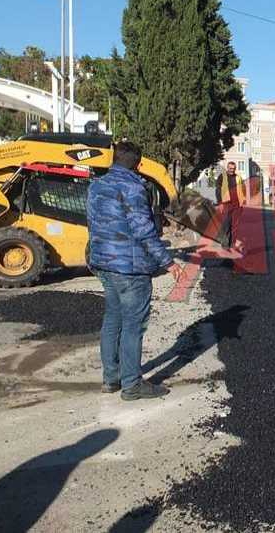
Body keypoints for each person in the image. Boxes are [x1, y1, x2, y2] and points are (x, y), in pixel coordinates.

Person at [86, 141, 183, 401]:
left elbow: (91, 222)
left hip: (103, 263)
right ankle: (131, 384)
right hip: (129, 268)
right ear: (139, 164)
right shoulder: (133, 187)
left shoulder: (96, 185)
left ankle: (111, 379)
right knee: (133, 325)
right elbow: (143, 230)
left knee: (112, 319)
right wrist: (168, 262)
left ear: (113, 159)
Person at [214, 162, 245, 249]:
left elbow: (243, 188)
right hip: (226, 203)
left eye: (234, 169)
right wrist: (220, 202)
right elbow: (218, 190)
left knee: (235, 225)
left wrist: (243, 200)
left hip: (237, 204)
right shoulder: (222, 176)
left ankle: (232, 243)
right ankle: (225, 244)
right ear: (227, 168)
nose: (232, 170)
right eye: (230, 168)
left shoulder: (238, 177)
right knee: (226, 223)